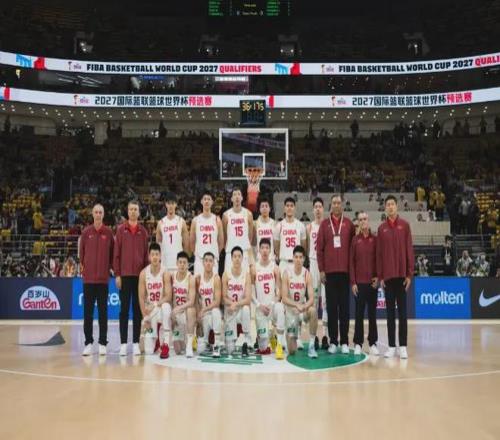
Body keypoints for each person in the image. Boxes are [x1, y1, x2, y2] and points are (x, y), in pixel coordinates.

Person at [317, 194, 355, 355]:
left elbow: (353, 250)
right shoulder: (324, 224)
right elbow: (319, 249)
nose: (337, 205)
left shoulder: (349, 224)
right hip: (330, 273)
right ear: (331, 205)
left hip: (345, 273)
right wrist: (321, 270)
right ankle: (333, 341)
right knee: (332, 309)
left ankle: (344, 341)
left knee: (344, 309)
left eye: (339, 203)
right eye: (334, 203)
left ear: (342, 205)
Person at [376, 195, 414, 360]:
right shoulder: (381, 229)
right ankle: (391, 346)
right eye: (388, 204)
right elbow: (379, 254)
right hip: (388, 278)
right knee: (390, 313)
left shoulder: (405, 226)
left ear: (396, 206)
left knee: (403, 313)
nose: (390, 207)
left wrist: (409, 274)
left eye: (392, 204)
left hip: (402, 277)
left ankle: (403, 346)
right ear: (385, 208)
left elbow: (409, 250)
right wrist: (381, 276)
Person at [114, 200, 149, 356]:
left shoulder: (144, 232)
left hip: (140, 277)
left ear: (139, 212)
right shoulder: (121, 230)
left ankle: (135, 343)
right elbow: (116, 254)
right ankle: (123, 343)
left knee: (137, 310)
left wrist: (146, 277)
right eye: (131, 209)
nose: (133, 211)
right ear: (127, 212)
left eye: (136, 209)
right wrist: (117, 274)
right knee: (124, 311)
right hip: (125, 276)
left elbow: (146, 256)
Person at [80, 204, 114, 356]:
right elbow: (81, 254)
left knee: (103, 313)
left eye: (100, 212)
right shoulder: (86, 232)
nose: (98, 214)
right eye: (96, 212)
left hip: (102, 280)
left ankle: (102, 343)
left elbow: (112, 254)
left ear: (103, 214)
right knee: (88, 313)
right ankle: (88, 343)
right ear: (92, 214)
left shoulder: (108, 232)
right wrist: (86, 268)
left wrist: (109, 269)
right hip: (88, 280)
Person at [350, 211, 379, 356]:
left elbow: (380, 260)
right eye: (360, 220)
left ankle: (373, 343)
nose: (362, 222)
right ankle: (358, 343)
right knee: (359, 314)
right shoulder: (355, 240)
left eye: (365, 219)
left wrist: (378, 277)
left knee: (372, 314)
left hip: (372, 283)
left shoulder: (375, 239)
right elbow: (351, 263)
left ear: (368, 220)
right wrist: (353, 282)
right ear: (358, 222)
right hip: (359, 284)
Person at [251, 238, 285, 359]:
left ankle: (279, 345)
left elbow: (279, 292)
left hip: (272, 306)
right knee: (263, 348)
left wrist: (272, 304)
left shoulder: (275, 267)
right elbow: (251, 292)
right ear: (259, 250)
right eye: (262, 248)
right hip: (260, 308)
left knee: (280, 308)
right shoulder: (254, 268)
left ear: (270, 250)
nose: (265, 250)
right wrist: (259, 305)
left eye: (267, 248)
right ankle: (270, 335)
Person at [281, 246, 318, 358]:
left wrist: (304, 306)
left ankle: (311, 346)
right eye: (296, 257)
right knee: (292, 351)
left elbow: (311, 298)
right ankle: (289, 335)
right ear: (293, 258)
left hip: (302, 310)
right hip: (291, 312)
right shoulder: (287, 273)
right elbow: (284, 298)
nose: (298, 260)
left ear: (304, 259)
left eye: (300, 257)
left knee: (313, 311)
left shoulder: (307, 274)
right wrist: (296, 305)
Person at [137, 243, 172, 358]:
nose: (155, 257)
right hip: (150, 311)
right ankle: (155, 337)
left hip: (160, 308)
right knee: (146, 350)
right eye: (152, 254)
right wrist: (145, 317)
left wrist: (156, 304)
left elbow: (168, 296)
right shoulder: (143, 273)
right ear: (149, 256)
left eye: (157, 254)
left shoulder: (165, 272)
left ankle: (165, 343)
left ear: (160, 256)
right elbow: (141, 297)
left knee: (166, 307)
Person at [306, 197, 329, 350]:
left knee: (326, 302)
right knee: (313, 303)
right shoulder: (309, 227)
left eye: (320, 206)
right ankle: (313, 337)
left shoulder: (327, 226)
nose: (318, 209)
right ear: (313, 209)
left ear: (323, 209)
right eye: (316, 207)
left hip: (326, 266)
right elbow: (306, 247)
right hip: (313, 263)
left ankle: (325, 335)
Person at [222, 246, 252, 356]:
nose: (237, 259)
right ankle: (230, 340)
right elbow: (223, 297)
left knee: (246, 309)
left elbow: (248, 299)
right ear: (231, 258)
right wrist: (231, 304)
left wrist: (235, 304)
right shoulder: (226, 274)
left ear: (242, 258)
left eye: (239, 256)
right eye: (235, 256)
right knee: (230, 350)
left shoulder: (246, 275)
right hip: (230, 311)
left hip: (240, 310)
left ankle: (246, 340)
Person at [195, 251, 223, 357]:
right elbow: (196, 299)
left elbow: (217, 301)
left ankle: (217, 344)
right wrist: (198, 314)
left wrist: (204, 309)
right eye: (206, 261)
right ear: (203, 262)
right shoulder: (198, 279)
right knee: (200, 350)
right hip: (203, 315)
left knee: (215, 311)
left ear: (213, 263)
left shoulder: (216, 278)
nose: (208, 263)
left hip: (212, 313)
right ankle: (206, 342)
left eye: (210, 261)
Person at [190, 191, 224, 276]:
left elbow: (221, 242)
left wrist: (214, 254)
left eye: (209, 199)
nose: (206, 201)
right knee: (198, 283)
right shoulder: (195, 220)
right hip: (200, 258)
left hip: (213, 258)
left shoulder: (217, 220)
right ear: (201, 201)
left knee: (213, 283)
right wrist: (197, 253)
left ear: (212, 202)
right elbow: (192, 242)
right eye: (205, 199)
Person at [171, 251, 196, 357]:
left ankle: (189, 344)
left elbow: (191, 301)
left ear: (188, 265)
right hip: (177, 313)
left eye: (184, 263)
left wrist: (178, 308)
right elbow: (171, 297)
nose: (182, 265)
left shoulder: (191, 278)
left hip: (186, 312)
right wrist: (173, 312)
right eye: (180, 262)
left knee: (191, 310)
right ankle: (169, 340)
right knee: (178, 350)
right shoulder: (172, 277)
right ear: (177, 263)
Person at [222, 187, 254, 273]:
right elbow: (224, 236)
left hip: (244, 251)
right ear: (231, 199)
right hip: (230, 252)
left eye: (239, 194)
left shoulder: (248, 214)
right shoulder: (226, 215)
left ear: (242, 198)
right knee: (229, 279)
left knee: (245, 278)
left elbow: (250, 236)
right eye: (234, 195)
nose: (237, 197)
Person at [273, 197, 306, 277]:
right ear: (284, 208)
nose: (289, 208)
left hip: (297, 262)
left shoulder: (301, 225)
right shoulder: (279, 226)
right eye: (287, 206)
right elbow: (276, 247)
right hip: (284, 262)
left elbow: (303, 246)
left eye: (291, 206)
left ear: (295, 208)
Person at [156, 192, 189, 273]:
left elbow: (186, 244)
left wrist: (184, 260)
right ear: (166, 204)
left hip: (179, 263)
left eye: (172, 203)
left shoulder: (181, 221)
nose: (170, 206)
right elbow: (158, 245)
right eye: (169, 203)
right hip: (165, 263)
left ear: (176, 204)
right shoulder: (160, 223)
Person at [253, 197, 276, 262]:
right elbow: (253, 244)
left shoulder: (275, 224)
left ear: (270, 208)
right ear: (259, 209)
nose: (264, 208)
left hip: (271, 259)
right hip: (258, 259)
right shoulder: (255, 224)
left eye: (266, 206)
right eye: (262, 206)